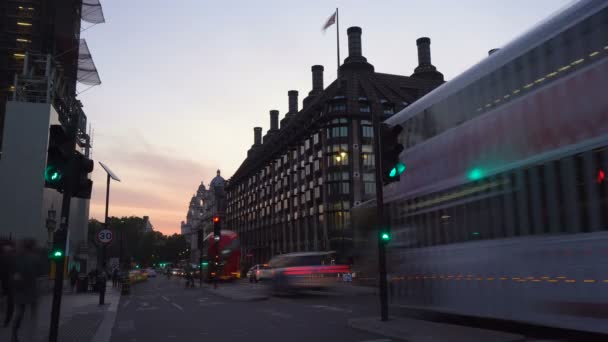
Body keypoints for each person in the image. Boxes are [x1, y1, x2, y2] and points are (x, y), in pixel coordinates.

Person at [11, 239, 42, 342]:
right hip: (31, 289)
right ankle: (30, 335)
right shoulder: (35, 258)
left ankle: (14, 333)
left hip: (21, 289)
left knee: (19, 311)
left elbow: (15, 274)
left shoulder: (19, 257)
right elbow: (39, 272)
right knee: (32, 313)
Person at [1, 241, 16, 328]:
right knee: (10, 304)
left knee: (10, 303)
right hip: (9, 284)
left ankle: (7, 321)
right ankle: (7, 320)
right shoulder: (13, 259)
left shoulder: (4, 258)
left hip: (8, 284)